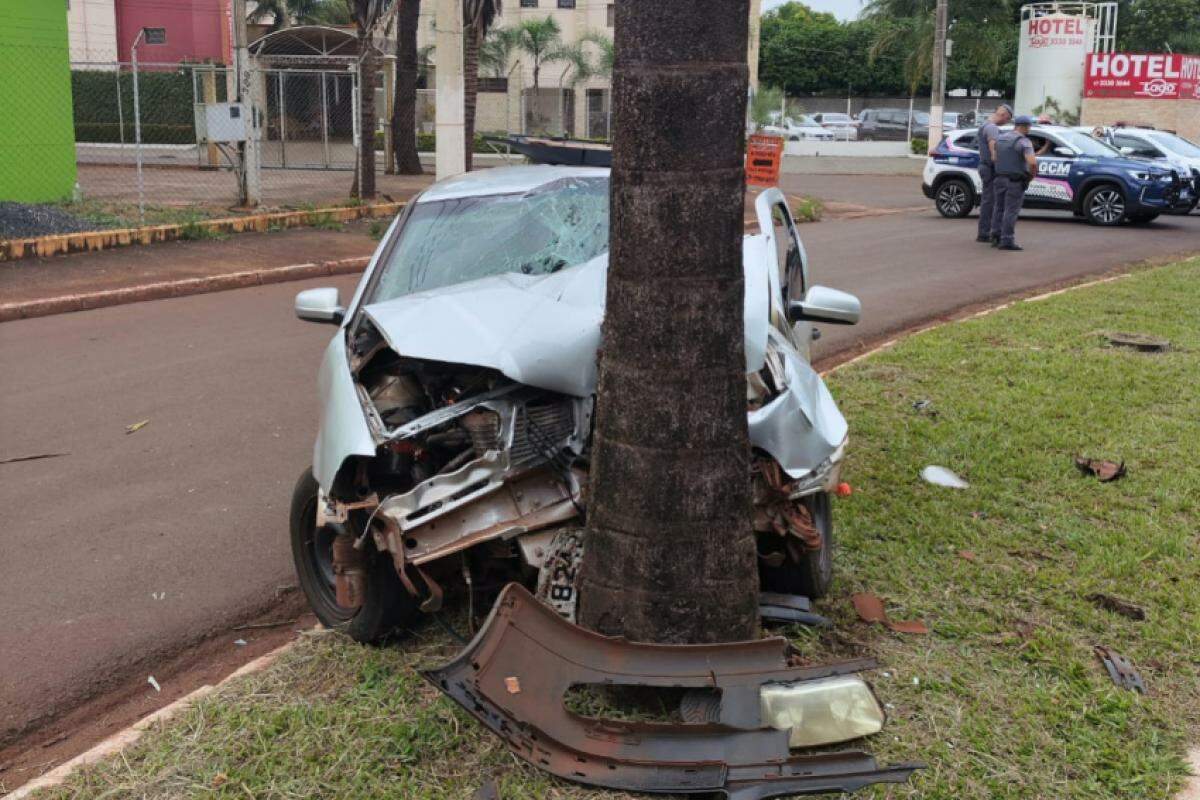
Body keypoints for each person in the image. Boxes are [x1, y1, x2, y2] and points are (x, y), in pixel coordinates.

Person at [990, 115, 1038, 251]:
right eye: (1029, 126)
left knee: (998, 208)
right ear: (1025, 126)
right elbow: (1032, 162)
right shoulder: (1024, 142)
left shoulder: (1000, 139)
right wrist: (1031, 176)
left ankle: (995, 235)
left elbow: (994, 158)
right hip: (1015, 181)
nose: (1029, 129)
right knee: (1011, 211)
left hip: (999, 178)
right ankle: (1007, 240)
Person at [975, 103, 1012, 244]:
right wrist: (996, 160)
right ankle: (984, 233)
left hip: (985, 167)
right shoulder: (992, 128)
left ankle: (985, 232)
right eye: (1007, 119)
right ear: (1002, 115)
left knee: (988, 200)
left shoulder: (985, 125)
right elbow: (993, 145)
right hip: (990, 168)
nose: (1006, 122)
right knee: (990, 201)